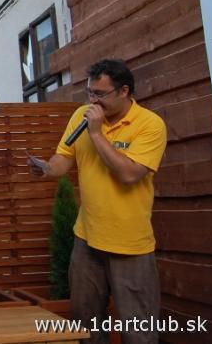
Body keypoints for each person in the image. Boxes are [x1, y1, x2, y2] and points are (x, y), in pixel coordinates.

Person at [28, 59, 167, 344]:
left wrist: (96, 133)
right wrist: (48, 168)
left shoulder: (150, 124)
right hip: (87, 239)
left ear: (124, 91)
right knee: (86, 325)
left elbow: (129, 174)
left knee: (138, 330)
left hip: (130, 244)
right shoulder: (81, 115)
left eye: (100, 94)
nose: (93, 100)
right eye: (90, 93)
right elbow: (64, 156)